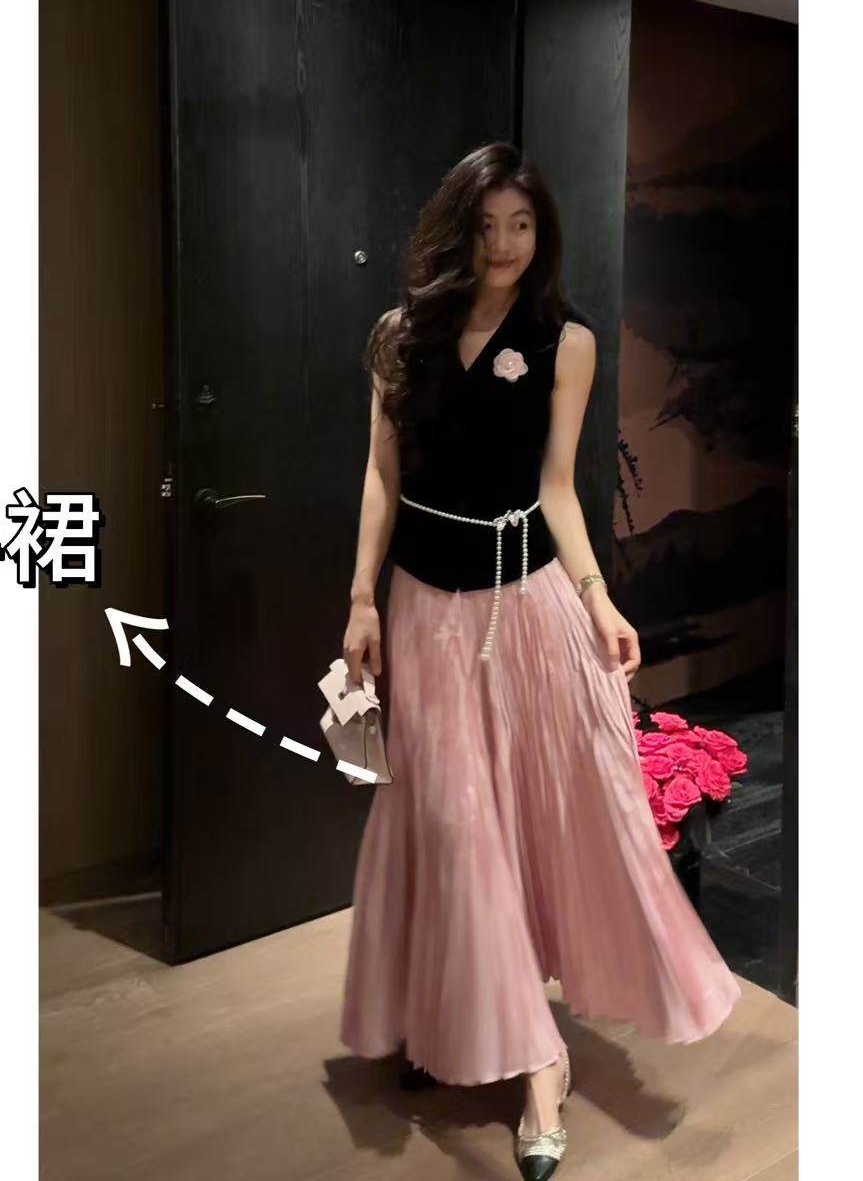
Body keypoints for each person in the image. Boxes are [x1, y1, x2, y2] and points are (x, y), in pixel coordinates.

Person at [338, 142, 740, 1179]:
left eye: (520, 225)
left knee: (535, 819)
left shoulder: (566, 341)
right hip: (425, 613)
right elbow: (381, 476)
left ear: (541, 233)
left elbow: (557, 485)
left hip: (528, 609)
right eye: (485, 226)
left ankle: (537, 1068)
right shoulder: (400, 336)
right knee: (452, 825)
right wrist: (361, 598)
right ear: (456, 228)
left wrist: (599, 598)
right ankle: (469, 1020)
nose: (503, 245)